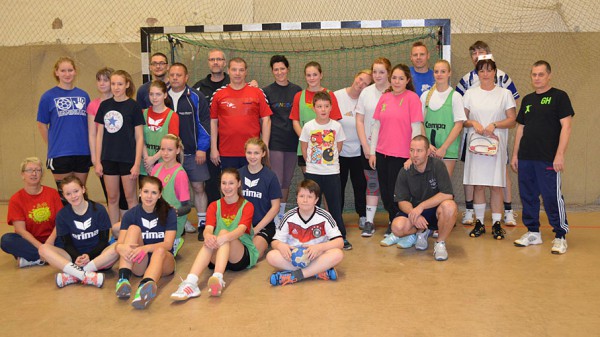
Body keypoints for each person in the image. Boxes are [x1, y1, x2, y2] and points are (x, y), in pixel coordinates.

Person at [511, 61, 574, 254]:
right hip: (526, 158)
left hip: (548, 158)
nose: (536, 78)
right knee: (528, 196)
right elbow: (521, 128)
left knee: (551, 197)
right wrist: (515, 154)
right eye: (533, 75)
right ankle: (533, 232)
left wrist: (560, 154)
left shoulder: (559, 97)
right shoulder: (528, 100)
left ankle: (560, 235)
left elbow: (567, 127)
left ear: (549, 75)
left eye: (540, 74)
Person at [456, 41, 520, 227]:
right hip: (475, 145)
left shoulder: (505, 92)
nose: (485, 74)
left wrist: (494, 124)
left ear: (495, 72)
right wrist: (473, 122)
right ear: (477, 72)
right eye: (481, 71)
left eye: (489, 70)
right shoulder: (469, 93)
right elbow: (462, 119)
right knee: (478, 184)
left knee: (497, 184)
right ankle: (479, 222)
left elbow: (512, 119)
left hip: (496, 145)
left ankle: (498, 223)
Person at [170, 168, 258, 300]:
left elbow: (240, 230)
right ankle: (190, 283)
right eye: (224, 183)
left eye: (231, 183)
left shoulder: (247, 205)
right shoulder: (214, 205)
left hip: (239, 255)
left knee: (223, 233)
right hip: (218, 252)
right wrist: (208, 236)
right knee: (209, 239)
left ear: (239, 184)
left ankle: (217, 278)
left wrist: (222, 237)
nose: (227, 187)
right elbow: (208, 228)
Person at [369, 64, 424, 247]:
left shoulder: (412, 98)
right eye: (394, 78)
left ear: (407, 80)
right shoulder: (384, 98)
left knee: (397, 194)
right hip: (382, 153)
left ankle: (404, 228)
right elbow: (376, 126)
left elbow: (416, 128)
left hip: (401, 156)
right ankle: (394, 224)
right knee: (385, 192)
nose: (397, 81)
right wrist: (372, 151)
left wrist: (412, 155)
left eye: (401, 78)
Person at [389, 136, 457, 261]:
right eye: (412, 150)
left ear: (427, 152)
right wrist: (414, 213)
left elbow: (447, 194)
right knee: (397, 227)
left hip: (435, 211)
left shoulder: (438, 166)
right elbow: (401, 201)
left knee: (449, 206)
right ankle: (421, 231)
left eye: (419, 151)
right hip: (416, 213)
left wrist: (421, 207)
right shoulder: (405, 170)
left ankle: (440, 243)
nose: (415, 155)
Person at [38, 176, 113, 288]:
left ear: (83, 189)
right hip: (74, 258)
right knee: (43, 248)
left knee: (117, 246)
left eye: (76, 191)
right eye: (68, 194)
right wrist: (77, 257)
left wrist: (89, 255)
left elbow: (103, 240)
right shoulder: (62, 215)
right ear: (63, 196)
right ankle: (84, 275)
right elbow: (67, 243)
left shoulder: (99, 210)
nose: (73, 196)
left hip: (98, 257)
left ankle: (73, 275)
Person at [114, 176, 177, 309]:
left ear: (159, 195)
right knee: (133, 229)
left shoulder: (169, 212)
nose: (149, 196)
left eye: (154, 193)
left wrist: (146, 248)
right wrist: (122, 248)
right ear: (140, 192)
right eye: (146, 191)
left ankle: (144, 289)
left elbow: (168, 244)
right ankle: (123, 279)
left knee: (159, 250)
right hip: (139, 262)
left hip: (164, 261)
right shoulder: (131, 215)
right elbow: (119, 245)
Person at [266, 179, 344, 285]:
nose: (305, 200)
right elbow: (274, 242)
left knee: (337, 254)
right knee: (271, 256)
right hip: (293, 259)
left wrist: (319, 247)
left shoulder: (325, 216)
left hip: (316, 257)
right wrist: (280, 246)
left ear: (316, 200)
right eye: (301, 196)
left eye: (310, 197)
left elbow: (339, 242)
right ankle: (316, 271)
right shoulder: (288, 216)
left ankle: (295, 275)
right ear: (297, 198)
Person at [299, 91, 350, 250]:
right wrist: (310, 164)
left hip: (332, 173)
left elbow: (339, 146)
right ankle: (310, 236)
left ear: (331, 108)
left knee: (334, 205)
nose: (323, 109)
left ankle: (339, 236)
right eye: (319, 106)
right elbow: (304, 146)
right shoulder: (308, 126)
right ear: (314, 108)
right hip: (313, 173)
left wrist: (330, 162)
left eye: (326, 106)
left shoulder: (336, 126)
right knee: (312, 205)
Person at [37, 57, 91, 203]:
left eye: (70, 70)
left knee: (80, 193)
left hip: (82, 151)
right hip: (60, 153)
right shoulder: (48, 97)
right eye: (63, 70)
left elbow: (90, 123)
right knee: (65, 196)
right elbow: (41, 124)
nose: (67, 74)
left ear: (75, 72)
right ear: (56, 73)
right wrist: (53, 144)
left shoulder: (84, 96)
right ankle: (66, 226)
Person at [94, 70, 145, 227]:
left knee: (130, 198)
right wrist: (98, 161)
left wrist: (137, 163)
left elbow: (139, 137)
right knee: (112, 198)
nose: (116, 87)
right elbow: (99, 135)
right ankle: (115, 233)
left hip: (127, 159)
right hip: (108, 158)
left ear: (127, 85)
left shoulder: (133, 106)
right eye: (113, 84)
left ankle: (134, 231)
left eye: (120, 84)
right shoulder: (104, 105)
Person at [167, 63, 211, 238]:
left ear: (186, 77)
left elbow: (204, 124)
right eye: (172, 75)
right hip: (169, 155)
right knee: (172, 189)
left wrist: (202, 148)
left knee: (198, 187)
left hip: (193, 153)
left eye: (179, 75)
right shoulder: (162, 96)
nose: (175, 78)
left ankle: (202, 223)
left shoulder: (196, 97)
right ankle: (178, 222)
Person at [210, 57, 272, 170]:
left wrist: (265, 146)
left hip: (252, 153)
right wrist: (213, 147)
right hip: (227, 152)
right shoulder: (218, 95)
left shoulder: (257, 93)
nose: (237, 73)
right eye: (234, 70)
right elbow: (213, 122)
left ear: (246, 72)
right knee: (229, 186)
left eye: (241, 70)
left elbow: (266, 120)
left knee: (251, 187)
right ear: (228, 71)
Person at [262, 55, 302, 224]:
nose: (279, 72)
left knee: (286, 179)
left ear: (288, 69)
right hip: (275, 142)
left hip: (292, 142)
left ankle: (281, 215)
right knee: (277, 179)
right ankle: (274, 214)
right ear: (272, 71)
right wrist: (265, 145)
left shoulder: (297, 90)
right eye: (276, 69)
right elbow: (264, 119)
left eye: (282, 69)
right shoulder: (266, 91)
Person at [1, 157, 63, 267]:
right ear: (22, 175)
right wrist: (41, 248)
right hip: (30, 242)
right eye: (29, 170)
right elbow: (21, 231)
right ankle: (47, 257)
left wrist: (49, 242)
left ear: (42, 174)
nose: (34, 174)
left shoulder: (52, 193)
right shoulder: (16, 199)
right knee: (6, 240)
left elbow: (60, 222)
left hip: (53, 240)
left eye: (37, 170)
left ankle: (34, 259)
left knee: (72, 238)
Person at [355, 57, 392, 237]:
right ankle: (369, 221)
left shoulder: (395, 92)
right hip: (370, 148)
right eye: (375, 72)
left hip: (391, 149)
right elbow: (360, 120)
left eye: (382, 72)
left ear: (389, 73)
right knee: (372, 183)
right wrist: (365, 145)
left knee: (391, 184)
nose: (377, 75)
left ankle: (393, 220)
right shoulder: (366, 93)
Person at [334, 70, 373, 236]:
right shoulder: (337, 96)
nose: (361, 84)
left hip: (359, 151)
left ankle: (363, 215)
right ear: (355, 76)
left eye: (366, 83)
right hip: (339, 151)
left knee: (360, 186)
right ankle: (337, 218)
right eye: (360, 79)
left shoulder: (366, 100)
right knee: (338, 186)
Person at [87, 67, 129, 219]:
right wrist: (95, 158)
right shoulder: (94, 105)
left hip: (124, 155)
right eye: (99, 80)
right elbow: (93, 133)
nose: (103, 84)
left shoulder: (126, 103)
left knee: (126, 195)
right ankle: (115, 229)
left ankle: (126, 227)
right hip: (105, 155)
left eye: (106, 80)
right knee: (111, 195)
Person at [290, 61, 343, 173]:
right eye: (308, 75)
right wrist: (307, 139)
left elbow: (335, 122)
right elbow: (295, 121)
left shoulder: (329, 94)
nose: (312, 78)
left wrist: (322, 141)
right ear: (305, 77)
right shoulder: (299, 96)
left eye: (315, 74)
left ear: (321, 75)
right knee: (311, 186)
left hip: (326, 147)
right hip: (305, 146)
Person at [193, 49, 229, 211]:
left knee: (233, 181)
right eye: (212, 59)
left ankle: (233, 217)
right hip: (208, 144)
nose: (215, 62)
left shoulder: (234, 83)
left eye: (219, 59)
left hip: (231, 143)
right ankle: (213, 218)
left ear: (224, 63)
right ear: (208, 62)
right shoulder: (198, 88)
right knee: (212, 183)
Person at [421, 60, 466, 176]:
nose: (439, 74)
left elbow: (459, 125)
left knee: (443, 187)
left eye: (443, 71)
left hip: (447, 150)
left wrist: (444, 148)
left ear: (449, 73)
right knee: (427, 187)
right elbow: (420, 122)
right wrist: (427, 145)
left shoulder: (455, 97)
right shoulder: (426, 96)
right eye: (436, 71)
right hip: (428, 150)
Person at [239, 138, 282, 259]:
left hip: (263, 226)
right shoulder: (239, 174)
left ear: (263, 153)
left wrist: (256, 229)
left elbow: (275, 207)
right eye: (249, 153)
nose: (252, 156)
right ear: (245, 153)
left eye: (256, 153)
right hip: (241, 224)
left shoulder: (270, 176)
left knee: (251, 255)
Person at [151, 134, 191, 253]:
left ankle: (176, 240)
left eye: (170, 150)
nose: (165, 153)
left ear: (177, 150)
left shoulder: (180, 174)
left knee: (157, 254)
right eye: (162, 149)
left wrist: (174, 212)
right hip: (155, 218)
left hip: (171, 223)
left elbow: (187, 207)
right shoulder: (156, 168)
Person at [141, 80, 179, 177]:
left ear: (165, 95)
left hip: (163, 164)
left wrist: (153, 159)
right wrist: (147, 160)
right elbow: (140, 139)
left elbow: (172, 143)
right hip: (145, 165)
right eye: (151, 94)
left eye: (158, 94)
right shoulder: (143, 113)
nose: (154, 98)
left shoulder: (172, 116)